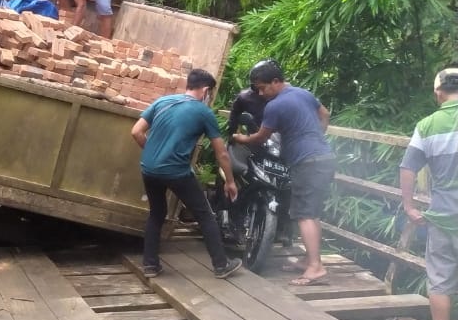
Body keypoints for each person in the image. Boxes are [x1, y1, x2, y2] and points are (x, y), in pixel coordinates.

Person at [132, 68, 242, 279]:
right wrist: (229, 181)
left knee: (156, 213)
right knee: (205, 215)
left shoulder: (162, 102)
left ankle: (150, 266)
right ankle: (221, 265)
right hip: (176, 171)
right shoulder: (203, 112)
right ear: (206, 90)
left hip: (149, 168)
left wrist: (155, 155)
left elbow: (136, 131)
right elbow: (222, 153)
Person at [232, 60, 334, 286]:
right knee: (312, 212)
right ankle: (309, 259)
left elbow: (261, 137)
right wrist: (316, 137)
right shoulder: (303, 93)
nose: (260, 92)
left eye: (262, 87)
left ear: (276, 82)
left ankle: (316, 267)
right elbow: (324, 115)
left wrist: (241, 138)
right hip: (325, 158)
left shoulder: (275, 106)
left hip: (306, 163)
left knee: (304, 214)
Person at [400, 67, 458, 320]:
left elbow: (408, 167)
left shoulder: (427, 125)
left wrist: (409, 206)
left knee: (440, 280)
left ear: (438, 92)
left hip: (443, 217)